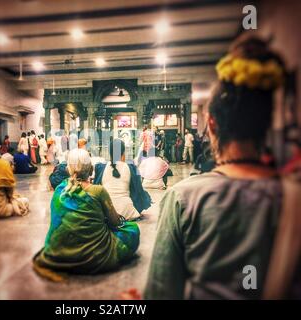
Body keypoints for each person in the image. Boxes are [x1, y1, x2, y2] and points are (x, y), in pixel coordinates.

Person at [145, 36, 289, 299]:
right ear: (267, 125)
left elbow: (162, 292)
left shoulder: (184, 197)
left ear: (211, 125)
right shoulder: (291, 197)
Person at [33, 148, 140, 279]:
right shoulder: (98, 191)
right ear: (90, 168)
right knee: (132, 230)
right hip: (97, 257)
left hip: (61, 254)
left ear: (69, 169)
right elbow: (115, 222)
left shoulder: (60, 189)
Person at [94, 139, 151, 220]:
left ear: (109, 153)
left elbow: (94, 190)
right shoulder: (131, 168)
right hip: (127, 212)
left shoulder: (101, 168)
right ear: (124, 153)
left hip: (106, 213)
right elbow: (138, 191)